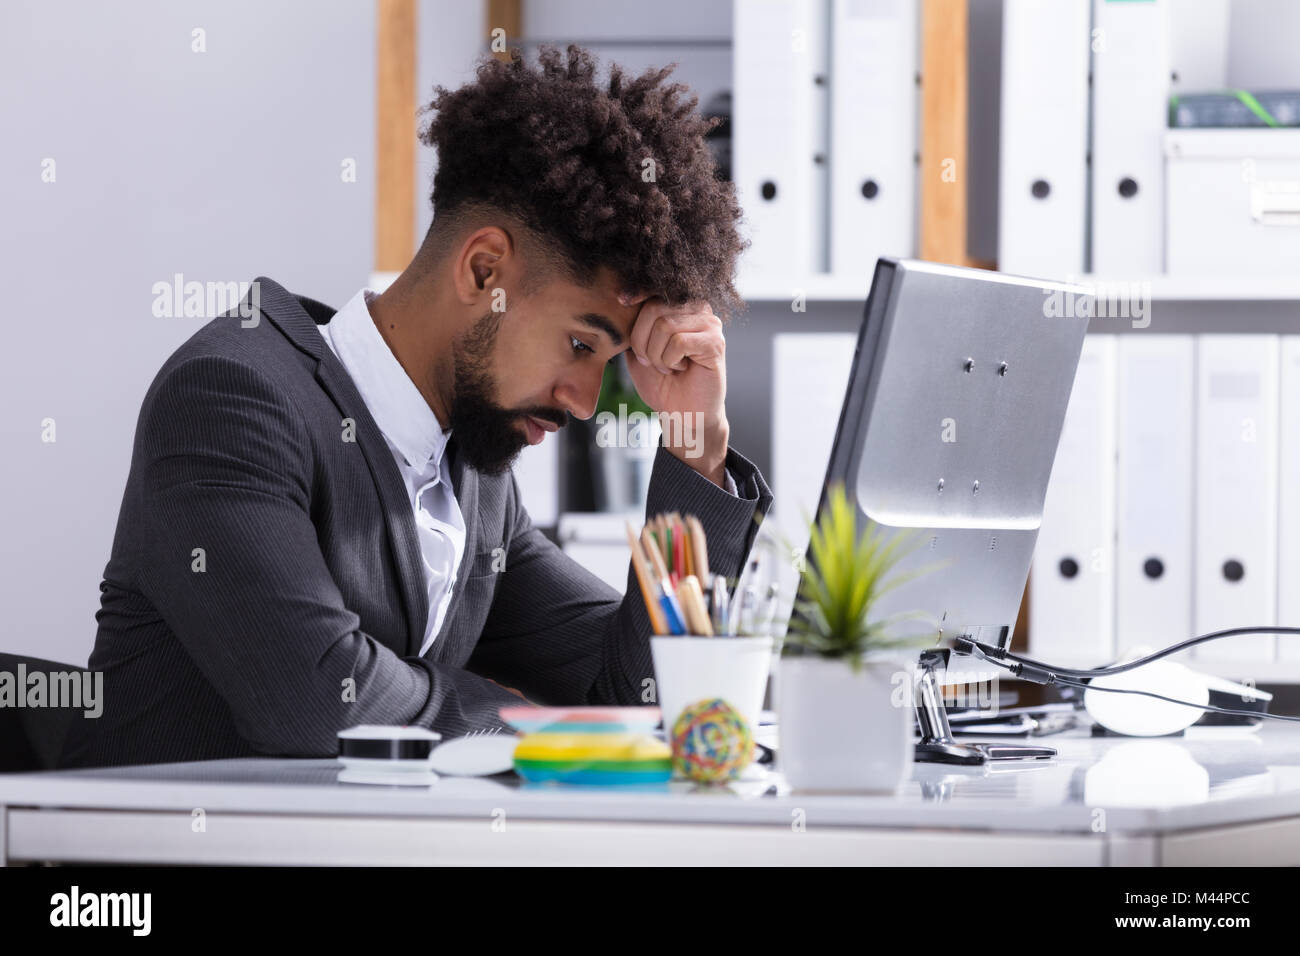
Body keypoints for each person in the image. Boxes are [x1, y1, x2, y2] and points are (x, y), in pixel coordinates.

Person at [60, 45, 771, 768]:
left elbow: (636, 695)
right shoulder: (233, 399)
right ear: (483, 270)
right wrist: (530, 724)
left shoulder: (474, 472)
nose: (585, 405)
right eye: (581, 347)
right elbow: (321, 702)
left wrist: (695, 443)